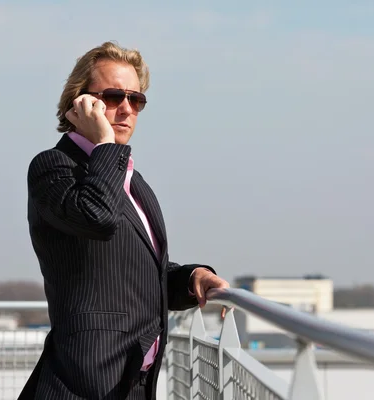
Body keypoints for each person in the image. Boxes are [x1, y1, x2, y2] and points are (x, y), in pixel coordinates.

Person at [18, 41, 230, 400]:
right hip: (84, 383)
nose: (128, 109)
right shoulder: (52, 167)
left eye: (138, 99)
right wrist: (105, 145)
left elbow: (138, 273)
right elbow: (96, 218)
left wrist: (193, 277)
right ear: (81, 102)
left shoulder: (131, 180)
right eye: (114, 97)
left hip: (132, 381)